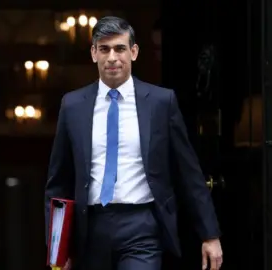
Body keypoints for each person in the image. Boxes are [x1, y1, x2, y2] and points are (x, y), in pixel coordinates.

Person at [45, 16, 223, 270]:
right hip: (90, 228)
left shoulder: (161, 102)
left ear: (134, 52)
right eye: (104, 49)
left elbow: (189, 173)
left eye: (120, 48)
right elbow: (58, 183)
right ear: (94, 53)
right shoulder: (72, 106)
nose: (112, 57)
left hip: (142, 227)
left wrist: (210, 235)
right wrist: (58, 250)